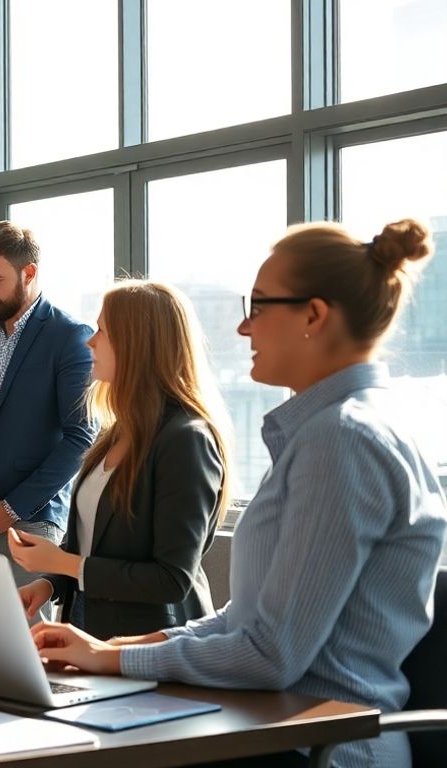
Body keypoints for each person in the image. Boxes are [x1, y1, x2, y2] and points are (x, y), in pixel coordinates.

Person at [32, 219, 447, 768]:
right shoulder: (330, 433)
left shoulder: (341, 442)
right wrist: (109, 651)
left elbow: (271, 654)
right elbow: (242, 619)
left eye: (258, 306)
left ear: (313, 315)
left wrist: (113, 662)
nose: (244, 329)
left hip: (314, 747)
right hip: (266, 726)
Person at [8, 280, 230, 638]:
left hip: (153, 647)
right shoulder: (115, 432)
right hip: (86, 629)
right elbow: (91, 545)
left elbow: (172, 580)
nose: (90, 341)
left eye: (101, 331)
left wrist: (61, 562)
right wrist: (49, 584)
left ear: (137, 344)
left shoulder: (187, 439)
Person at [0, 221, 94, 598]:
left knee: (29, 648)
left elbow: (82, 438)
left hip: (29, 525)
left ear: (29, 273)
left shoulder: (70, 337)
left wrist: (12, 507)